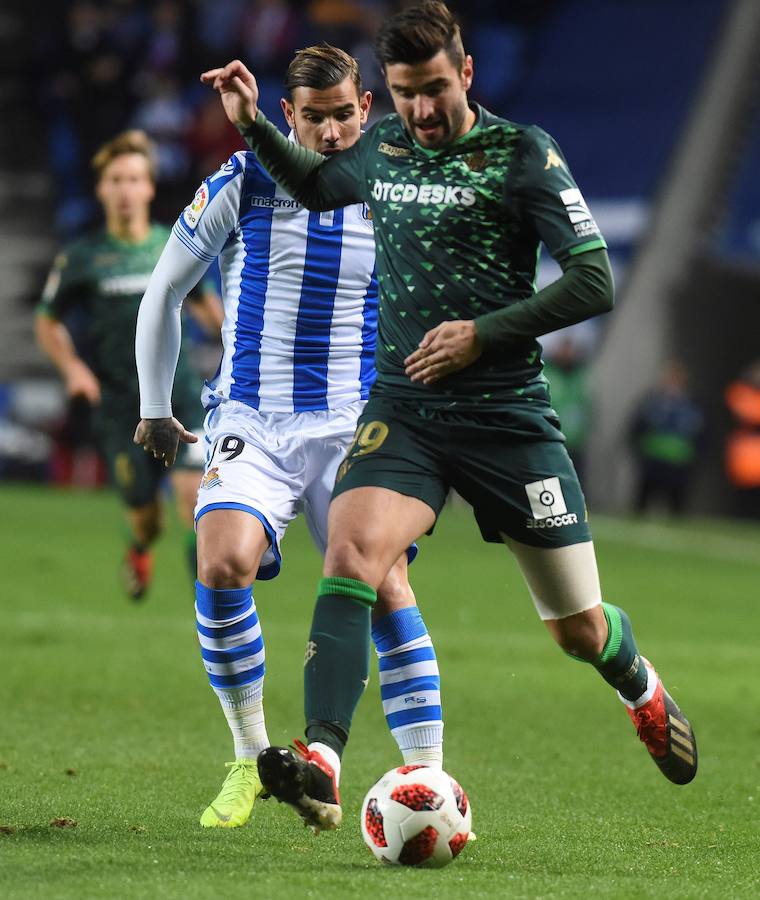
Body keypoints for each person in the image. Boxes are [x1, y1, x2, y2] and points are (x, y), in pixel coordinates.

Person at [202, 0, 699, 833]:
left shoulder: (521, 153)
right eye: (403, 94)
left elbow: (592, 279)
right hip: (407, 412)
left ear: (465, 74)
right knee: (354, 553)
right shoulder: (383, 147)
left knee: (579, 628)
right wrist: (254, 124)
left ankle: (638, 684)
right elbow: (316, 183)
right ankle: (320, 756)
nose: (422, 112)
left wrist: (483, 335)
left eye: (435, 89)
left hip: (508, 420)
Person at [134, 44, 444, 832]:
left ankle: (428, 779)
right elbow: (164, 290)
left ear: (365, 109)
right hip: (253, 418)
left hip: (355, 423)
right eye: (316, 117)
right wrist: (153, 405)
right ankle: (251, 756)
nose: (334, 131)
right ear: (288, 117)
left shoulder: (395, 189)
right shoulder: (243, 182)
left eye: (345, 114)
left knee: (383, 584)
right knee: (222, 560)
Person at [36, 129, 220, 600]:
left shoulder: (171, 246)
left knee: (193, 501)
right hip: (120, 405)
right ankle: (139, 546)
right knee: (146, 518)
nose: (124, 189)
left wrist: (236, 341)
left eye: (134, 178)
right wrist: (73, 367)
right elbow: (47, 321)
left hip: (180, 394)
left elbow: (206, 307)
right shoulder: (82, 256)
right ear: (101, 188)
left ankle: (211, 604)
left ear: (149, 187)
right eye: (115, 179)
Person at [629, 361, 704, 516]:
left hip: (679, 461)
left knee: (676, 507)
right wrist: (638, 452)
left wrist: (695, 458)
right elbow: (636, 427)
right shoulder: (652, 401)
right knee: (642, 504)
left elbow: (702, 434)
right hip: (653, 458)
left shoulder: (692, 404)